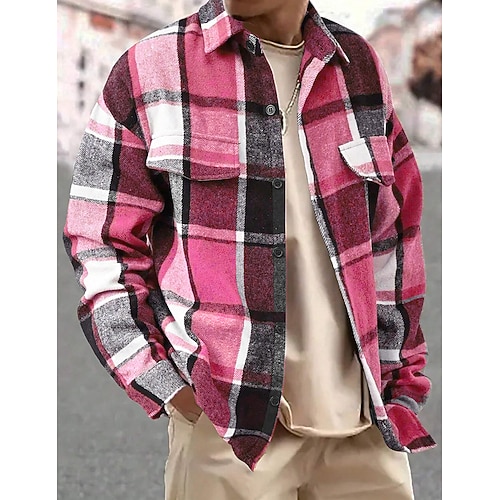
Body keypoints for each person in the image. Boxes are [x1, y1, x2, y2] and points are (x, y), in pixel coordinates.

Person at [63, 0, 436, 498]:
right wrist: (167, 384)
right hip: (229, 428)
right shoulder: (151, 68)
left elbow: (393, 234)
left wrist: (398, 377)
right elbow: (99, 240)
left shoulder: (358, 66)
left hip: (364, 426)